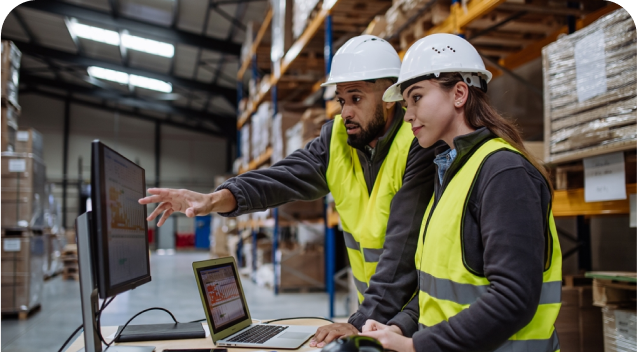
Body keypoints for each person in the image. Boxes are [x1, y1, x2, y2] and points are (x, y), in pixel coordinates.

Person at [139, 35, 440, 347]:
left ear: (390, 97)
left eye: (357, 98)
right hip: (376, 314)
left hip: (416, 317)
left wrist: (360, 321)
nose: (346, 112)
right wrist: (214, 200)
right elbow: (280, 178)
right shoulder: (336, 140)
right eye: (341, 100)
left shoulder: (417, 145)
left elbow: (401, 250)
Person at [359, 33, 562, 352]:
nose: (408, 114)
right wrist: (399, 326)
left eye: (416, 98)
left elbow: (512, 300)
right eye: (405, 104)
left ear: (458, 93)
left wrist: (414, 346)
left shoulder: (504, 172)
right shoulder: (451, 172)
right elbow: (441, 290)